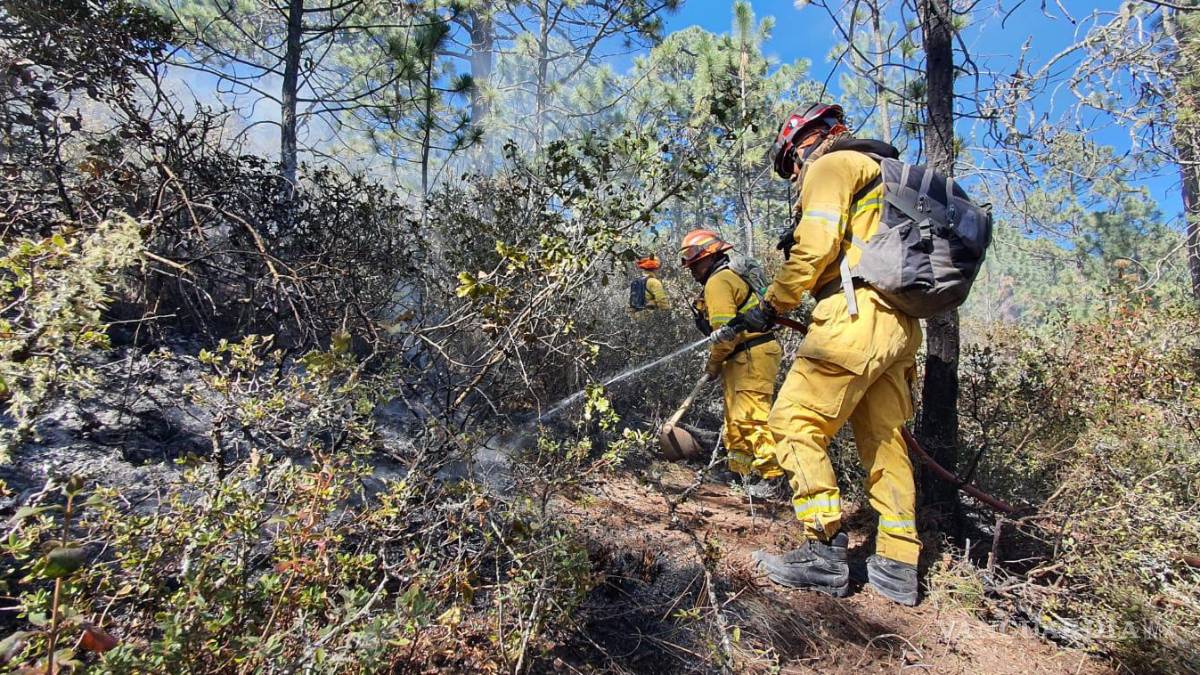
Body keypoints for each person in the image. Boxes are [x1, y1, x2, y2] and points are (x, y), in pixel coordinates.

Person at [741, 102, 923, 606]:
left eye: (791, 164)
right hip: (898, 324)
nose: (794, 175)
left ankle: (823, 550)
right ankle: (898, 564)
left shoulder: (832, 165)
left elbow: (816, 245)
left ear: (805, 142)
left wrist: (772, 303)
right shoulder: (879, 172)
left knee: (792, 421)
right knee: (884, 441)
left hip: (854, 314)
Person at [678, 229, 785, 495]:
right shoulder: (726, 278)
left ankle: (773, 477)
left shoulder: (718, 282)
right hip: (742, 356)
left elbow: (724, 337)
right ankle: (739, 472)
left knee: (752, 418)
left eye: (695, 264)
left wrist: (713, 365)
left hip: (750, 355)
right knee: (735, 420)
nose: (692, 271)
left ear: (710, 257)